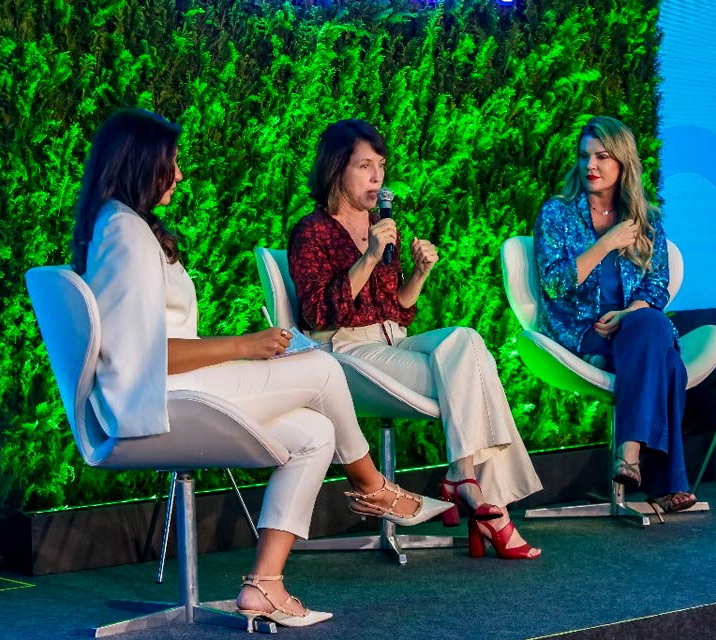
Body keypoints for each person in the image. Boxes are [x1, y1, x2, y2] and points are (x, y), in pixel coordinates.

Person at [71, 109, 452, 627]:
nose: (180, 175)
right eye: (172, 163)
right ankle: (372, 485)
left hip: (163, 387)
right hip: (153, 398)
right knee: (321, 369)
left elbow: (155, 340)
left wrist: (251, 347)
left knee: (316, 432)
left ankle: (264, 586)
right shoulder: (126, 235)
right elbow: (147, 355)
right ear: (139, 164)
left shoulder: (120, 227)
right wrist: (244, 345)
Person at [288, 119, 542, 560]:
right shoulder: (312, 230)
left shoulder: (383, 227)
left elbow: (398, 308)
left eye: (380, 166)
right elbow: (318, 314)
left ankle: (463, 476)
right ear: (336, 170)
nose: (377, 177)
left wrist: (420, 274)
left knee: (466, 341)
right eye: (364, 166)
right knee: (471, 372)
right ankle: (487, 503)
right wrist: (368, 257)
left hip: (390, 343)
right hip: (344, 352)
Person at [533, 116, 697, 514]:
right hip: (582, 330)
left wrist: (630, 313)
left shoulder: (647, 220)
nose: (590, 165)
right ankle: (663, 479)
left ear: (622, 162)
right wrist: (605, 243)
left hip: (631, 326)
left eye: (602, 156)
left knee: (650, 324)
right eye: (584, 156)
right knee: (669, 364)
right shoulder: (557, 213)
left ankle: (630, 453)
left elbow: (657, 283)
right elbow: (554, 284)